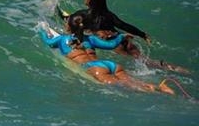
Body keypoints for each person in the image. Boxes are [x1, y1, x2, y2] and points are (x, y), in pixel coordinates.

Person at [57, 0, 188, 73]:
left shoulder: (83, 14)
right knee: (144, 60)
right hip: (123, 39)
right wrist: (142, 34)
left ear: (90, 0)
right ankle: (177, 69)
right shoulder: (109, 15)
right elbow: (124, 25)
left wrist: (62, 16)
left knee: (141, 63)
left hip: (113, 43)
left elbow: (72, 22)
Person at [41, 14, 174, 95]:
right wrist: (122, 36)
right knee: (130, 81)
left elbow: (48, 41)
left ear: (68, 27)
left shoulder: (62, 39)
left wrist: (41, 30)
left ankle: (156, 90)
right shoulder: (90, 38)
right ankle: (159, 87)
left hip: (95, 68)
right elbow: (110, 45)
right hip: (110, 65)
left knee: (123, 85)